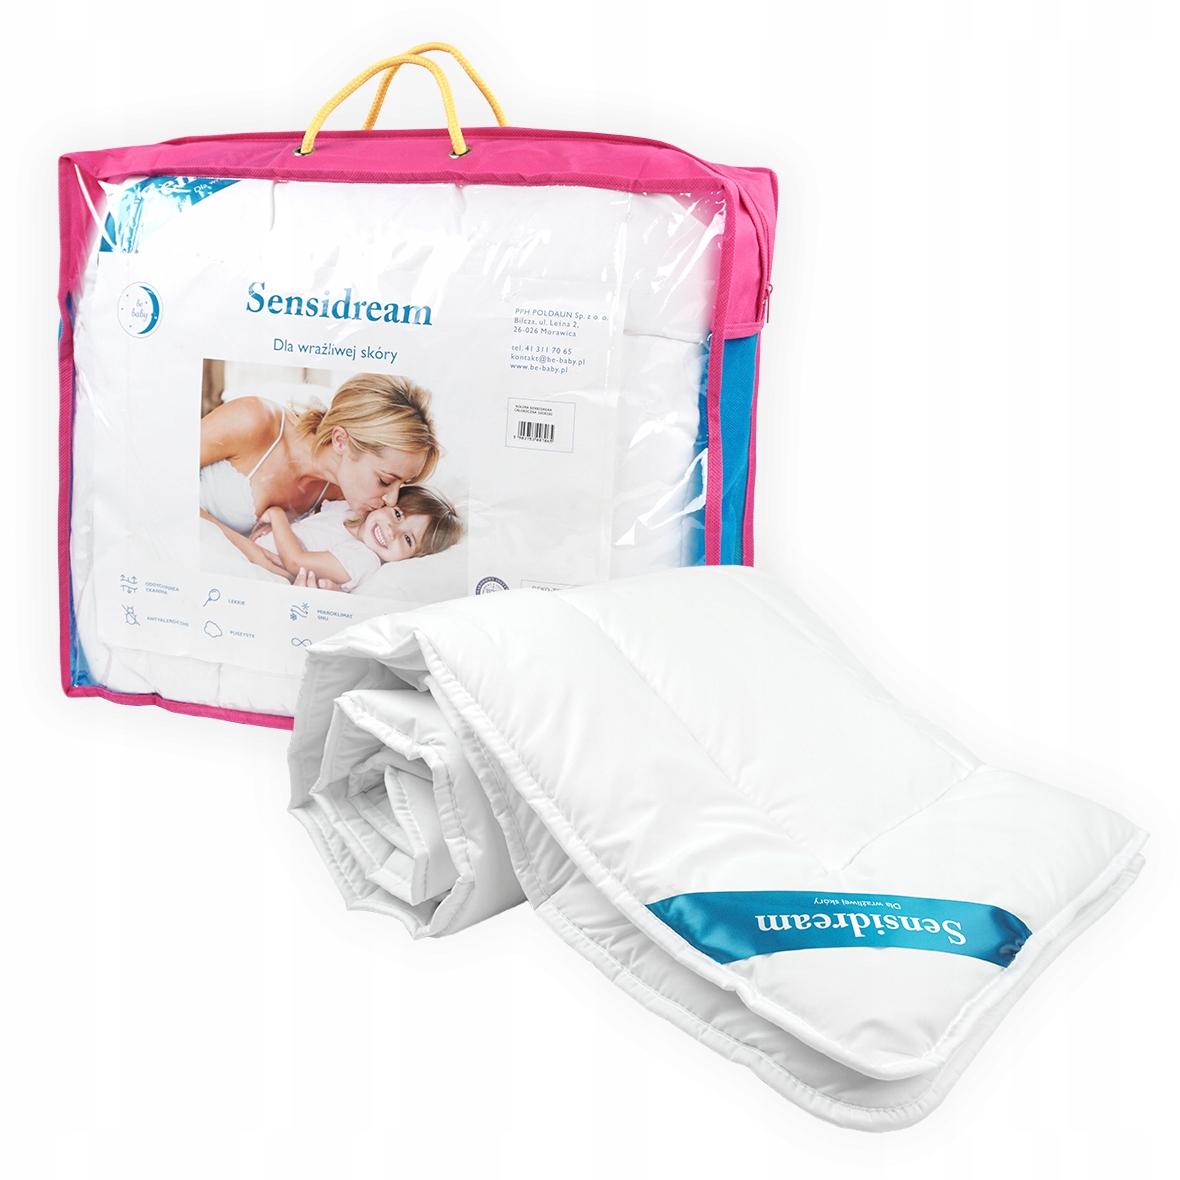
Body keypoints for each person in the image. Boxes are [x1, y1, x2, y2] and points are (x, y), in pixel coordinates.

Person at [199, 374, 440, 583]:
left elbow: (329, 561)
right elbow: (172, 477)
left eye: (402, 484)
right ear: (341, 441)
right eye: (385, 481)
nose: (392, 500)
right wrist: (243, 548)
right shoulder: (255, 420)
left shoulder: (343, 499)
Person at [252, 485, 463, 592]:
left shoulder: (363, 558)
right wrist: (279, 527)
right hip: (259, 545)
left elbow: (295, 562)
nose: (392, 531)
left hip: (263, 568)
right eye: (398, 514)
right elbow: (310, 520)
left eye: (408, 539)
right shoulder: (350, 510)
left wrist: (277, 515)